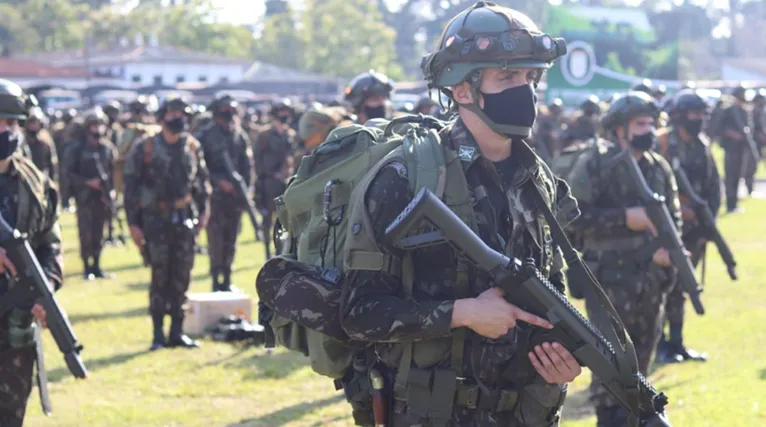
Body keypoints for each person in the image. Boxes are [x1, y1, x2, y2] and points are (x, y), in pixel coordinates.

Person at [340, 3, 581, 425]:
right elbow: (359, 315)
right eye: (507, 77)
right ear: (461, 89)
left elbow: (549, 290)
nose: (524, 90)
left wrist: (562, 356)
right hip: (432, 412)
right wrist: (462, 312)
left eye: (530, 77)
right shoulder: (405, 178)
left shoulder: (537, 178)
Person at [567, 91, 681, 427]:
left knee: (641, 367)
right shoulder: (595, 163)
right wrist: (623, 218)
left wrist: (669, 251)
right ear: (618, 129)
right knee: (611, 369)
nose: (648, 130)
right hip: (610, 284)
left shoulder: (658, 167)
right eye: (640, 124)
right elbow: (571, 217)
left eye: (651, 123)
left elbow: (672, 220)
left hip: (652, 282)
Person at [0, 78, 63, 427]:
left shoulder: (33, 181)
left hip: (15, 327)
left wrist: (47, 285)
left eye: (12, 123)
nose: (6, 131)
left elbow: (50, 239)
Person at [123, 98, 210, 351]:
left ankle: (177, 332)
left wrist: (204, 211)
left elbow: (202, 184)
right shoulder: (145, 148)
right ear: (162, 117)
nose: (179, 118)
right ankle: (158, 335)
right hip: (156, 221)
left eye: (183, 114)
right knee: (160, 278)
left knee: (182, 277)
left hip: (185, 220)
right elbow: (130, 188)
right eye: (173, 113)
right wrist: (134, 224)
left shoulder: (192, 147)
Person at [655, 90, 720, 364]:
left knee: (683, 287)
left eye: (701, 115)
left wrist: (707, 225)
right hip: (665, 228)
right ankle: (660, 344)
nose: (698, 120)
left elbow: (714, 187)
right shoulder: (662, 143)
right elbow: (651, 183)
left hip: (694, 230)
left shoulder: (702, 145)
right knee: (662, 287)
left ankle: (678, 343)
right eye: (694, 115)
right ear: (681, 116)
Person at [196, 95, 254, 292]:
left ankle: (227, 277)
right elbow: (198, 169)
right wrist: (218, 181)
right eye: (225, 110)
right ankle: (215, 279)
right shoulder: (204, 136)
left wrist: (245, 189)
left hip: (235, 197)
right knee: (216, 240)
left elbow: (247, 167)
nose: (228, 114)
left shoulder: (239, 136)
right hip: (214, 198)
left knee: (231, 238)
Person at [62, 108, 117, 280]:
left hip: (102, 196)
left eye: (100, 125)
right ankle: (87, 267)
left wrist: (112, 190)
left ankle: (97, 265)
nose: (98, 129)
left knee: (100, 231)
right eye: (95, 125)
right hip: (84, 196)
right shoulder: (76, 148)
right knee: (86, 232)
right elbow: (68, 173)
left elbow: (112, 171)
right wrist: (87, 182)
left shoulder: (107, 148)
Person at [253, 99, 295, 260]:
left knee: (285, 219)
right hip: (268, 182)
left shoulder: (289, 134)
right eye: (281, 113)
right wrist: (264, 176)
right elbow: (257, 158)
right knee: (267, 218)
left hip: (284, 182)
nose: (284, 116)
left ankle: (281, 250)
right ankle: (266, 250)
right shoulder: (264, 135)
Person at [720, 85, 753, 212]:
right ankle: (730, 204)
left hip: (741, 148)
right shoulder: (728, 111)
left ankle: (734, 203)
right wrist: (731, 134)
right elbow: (719, 128)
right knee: (730, 176)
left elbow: (748, 128)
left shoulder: (744, 111)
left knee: (738, 175)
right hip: (731, 148)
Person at [22, 106, 58, 182]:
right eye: (31, 122)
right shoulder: (21, 140)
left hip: (42, 178)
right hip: (25, 178)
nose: (33, 126)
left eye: (36, 123)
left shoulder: (45, 140)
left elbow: (52, 163)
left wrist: (53, 183)